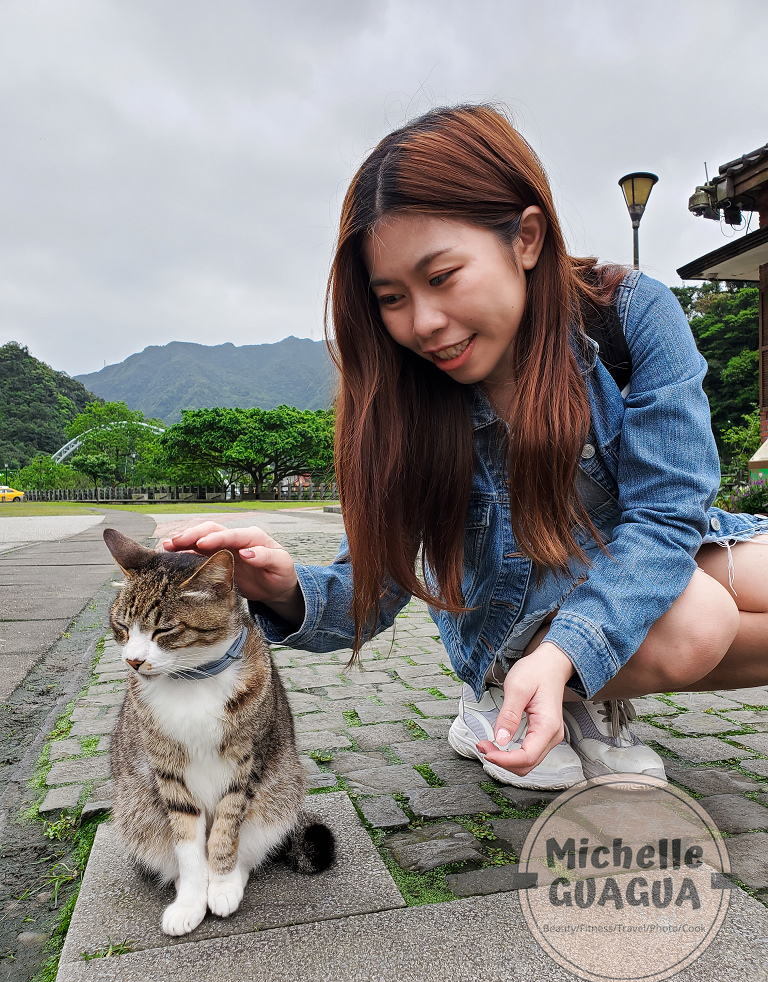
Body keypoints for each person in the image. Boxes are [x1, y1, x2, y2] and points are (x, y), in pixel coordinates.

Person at [165, 105, 768, 790]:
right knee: (700, 621)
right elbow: (373, 589)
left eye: (443, 276)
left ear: (528, 239)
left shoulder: (632, 316)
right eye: (391, 297)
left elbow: (667, 514)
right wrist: (283, 589)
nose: (423, 323)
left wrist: (572, 646)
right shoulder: (406, 397)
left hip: (633, 563)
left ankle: (570, 680)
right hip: (513, 618)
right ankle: (510, 686)